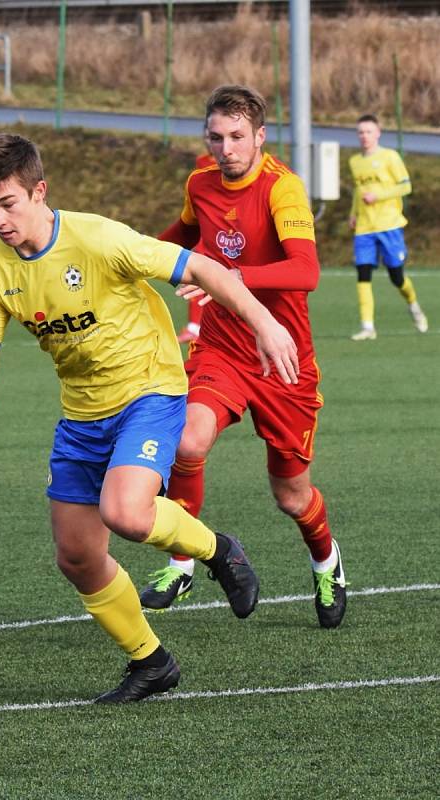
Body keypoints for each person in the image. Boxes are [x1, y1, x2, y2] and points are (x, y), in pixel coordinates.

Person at [0, 132, 300, 703]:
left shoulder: (99, 238)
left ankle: (218, 550)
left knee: (125, 512)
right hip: (81, 414)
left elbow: (205, 269)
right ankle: (151, 662)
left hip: (150, 391)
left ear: (39, 192)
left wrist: (265, 323)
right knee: (77, 556)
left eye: (8, 203)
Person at [139, 85, 347, 629]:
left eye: (236, 137)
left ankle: (326, 561)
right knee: (187, 439)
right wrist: (129, 259)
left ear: (259, 137)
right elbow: (180, 237)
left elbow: (306, 272)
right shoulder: (200, 184)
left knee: (291, 494)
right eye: (215, 137)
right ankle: (182, 560)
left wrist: (231, 278)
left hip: (283, 359)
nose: (225, 148)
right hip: (224, 348)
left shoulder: (283, 189)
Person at [348, 114, 428, 340]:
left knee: (396, 277)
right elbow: (358, 191)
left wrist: (379, 195)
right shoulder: (355, 161)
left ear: (378, 133)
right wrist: (353, 214)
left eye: (368, 131)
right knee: (363, 275)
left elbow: (406, 187)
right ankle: (367, 327)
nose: (364, 136)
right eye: (361, 132)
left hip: (389, 225)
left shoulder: (390, 157)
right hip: (364, 227)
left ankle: (413, 305)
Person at [177, 125, 215, 345]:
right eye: (209, 136)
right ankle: (195, 326)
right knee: (195, 275)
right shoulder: (202, 163)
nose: (210, 141)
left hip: (226, 231)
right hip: (204, 231)